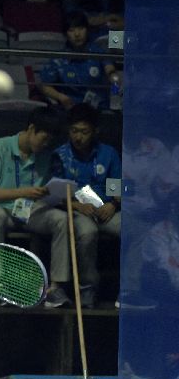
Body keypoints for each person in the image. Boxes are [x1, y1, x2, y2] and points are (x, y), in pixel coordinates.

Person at [0, 107, 73, 307]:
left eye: (49, 142)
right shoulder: (0, 147)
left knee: (61, 219)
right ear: (31, 129)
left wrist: (50, 194)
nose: (45, 145)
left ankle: (55, 288)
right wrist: (24, 192)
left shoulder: (46, 156)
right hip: (3, 209)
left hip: (31, 211)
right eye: (43, 139)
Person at [51, 103, 121, 308]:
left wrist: (113, 204)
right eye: (74, 131)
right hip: (78, 212)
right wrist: (76, 206)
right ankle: (87, 289)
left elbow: (118, 187)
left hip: (107, 211)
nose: (78, 137)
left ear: (95, 131)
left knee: (133, 229)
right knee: (87, 233)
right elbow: (55, 195)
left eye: (84, 132)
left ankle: (129, 291)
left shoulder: (108, 154)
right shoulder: (60, 155)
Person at [39, 11, 119, 111]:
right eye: (71, 30)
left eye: (81, 29)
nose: (77, 34)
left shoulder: (98, 52)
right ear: (65, 34)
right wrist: (60, 97)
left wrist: (115, 84)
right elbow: (44, 85)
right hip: (71, 110)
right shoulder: (58, 59)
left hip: (99, 109)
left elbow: (111, 71)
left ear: (87, 30)